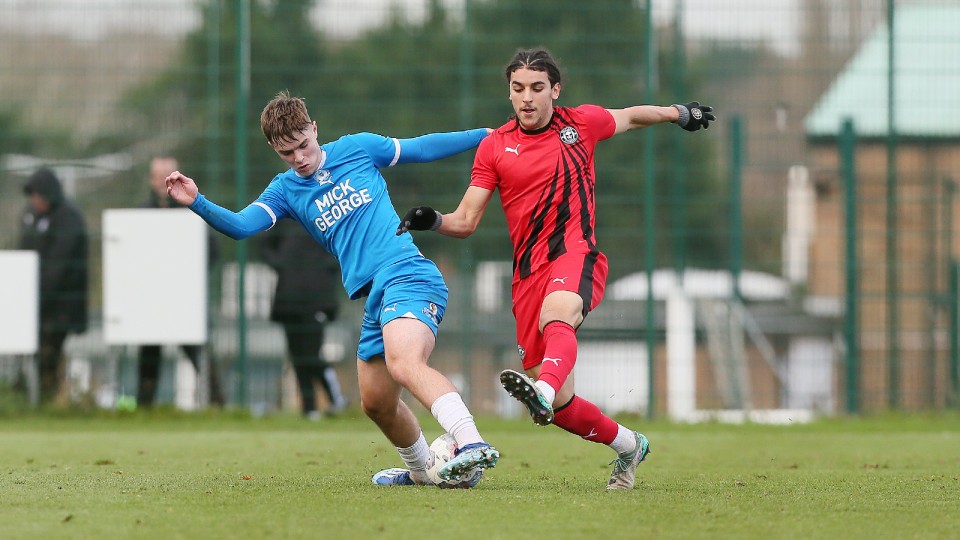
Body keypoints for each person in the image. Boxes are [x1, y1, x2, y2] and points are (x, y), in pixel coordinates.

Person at [396, 47, 716, 490]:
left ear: (555, 90)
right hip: (528, 275)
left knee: (557, 316)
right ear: (509, 93)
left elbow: (630, 116)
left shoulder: (581, 124)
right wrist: (432, 220)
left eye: (537, 87)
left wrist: (677, 113)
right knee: (561, 407)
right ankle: (628, 445)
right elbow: (465, 221)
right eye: (518, 88)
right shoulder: (494, 146)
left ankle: (542, 391)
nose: (527, 97)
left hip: (575, 254)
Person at [164, 90, 499, 486]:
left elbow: (423, 148)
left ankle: (471, 441)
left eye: (303, 145)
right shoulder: (284, 191)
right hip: (374, 297)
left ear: (314, 129)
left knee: (404, 363)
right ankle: (423, 471)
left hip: (408, 274)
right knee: (376, 403)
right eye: (287, 153)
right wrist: (197, 201)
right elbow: (240, 226)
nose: (299, 158)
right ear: (275, 149)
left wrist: (486, 135)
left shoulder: (358, 149)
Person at [136, 156, 226, 408]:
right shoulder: (140, 214)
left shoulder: (193, 211)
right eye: (158, 175)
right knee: (148, 355)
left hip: (187, 300)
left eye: (167, 175)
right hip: (152, 301)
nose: (162, 181)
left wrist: (190, 279)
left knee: (199, 353)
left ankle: (218, 404)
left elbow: (212, 252)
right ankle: (144, 408)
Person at [261, 219, 348, 419]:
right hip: (288, 299)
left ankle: (336, 399)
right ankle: (310, 409)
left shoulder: (327, 218)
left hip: (316, 299)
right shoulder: (284, 219)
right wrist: (283, 264)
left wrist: (320, 271)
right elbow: (265, 247)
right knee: (298, 357)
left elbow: (341, 252)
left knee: (312, 356)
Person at [18, 167, 89, 405]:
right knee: (37, 354)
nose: (34, 201)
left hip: (61, 305)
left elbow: (59, 267)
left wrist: (36, 295)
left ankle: (49, 399)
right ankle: (40, 398)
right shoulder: (32, 216)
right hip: (36, 303)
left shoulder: (69, 218)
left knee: (49, 353)